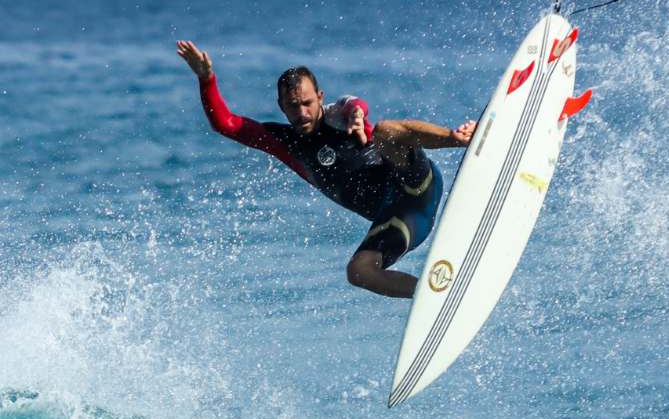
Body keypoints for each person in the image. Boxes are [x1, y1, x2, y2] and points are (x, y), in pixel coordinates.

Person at [177, 40, 475, 298]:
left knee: (386, 130)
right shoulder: (283, 141)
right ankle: (432, 295)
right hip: (399, 219)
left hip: (416, 184)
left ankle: (460, 138)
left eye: (307, 102)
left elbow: (355, 104)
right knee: (358, 272)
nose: (302, 112)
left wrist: (359, 114)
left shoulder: (340, 116)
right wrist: (206, 78)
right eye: (293, 106)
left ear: (320, 97)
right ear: (281, 105)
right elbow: (226, 124)